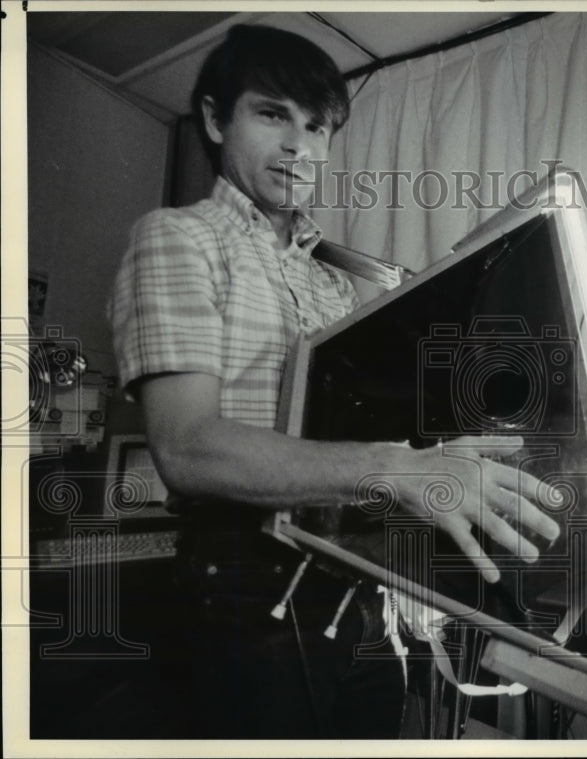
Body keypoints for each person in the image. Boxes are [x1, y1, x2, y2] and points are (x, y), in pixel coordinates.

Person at [107, 23, 560, 738]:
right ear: (216, 118)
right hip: (242, 593)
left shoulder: (335, 286)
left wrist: (448, 458)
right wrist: (396, 466)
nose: (301, 146)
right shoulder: (178, 236)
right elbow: (187, 447)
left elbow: (366, 447)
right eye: (272, 114)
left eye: (317, 126)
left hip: (356, 595)